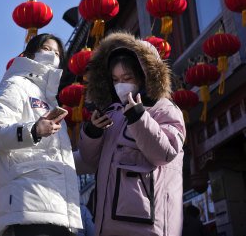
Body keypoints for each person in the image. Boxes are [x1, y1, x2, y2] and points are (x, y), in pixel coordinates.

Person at [78, 32, 186, 235]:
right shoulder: (112, 112)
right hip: (108, 224)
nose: (121, 84)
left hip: (148, 223)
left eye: (127, 78)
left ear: (144, 76)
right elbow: (90, 160)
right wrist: (92, 133)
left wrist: (139, 118)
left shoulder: (163, 109)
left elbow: (165, 153)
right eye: (116, 79)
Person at [0, 33, 82, 236]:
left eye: (57, 52)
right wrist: (33, 130)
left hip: (59, 209)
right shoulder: (16, 85)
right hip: (28, 205)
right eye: (46, 49)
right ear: (29, 54)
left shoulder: (50, 99)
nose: (52, 55)